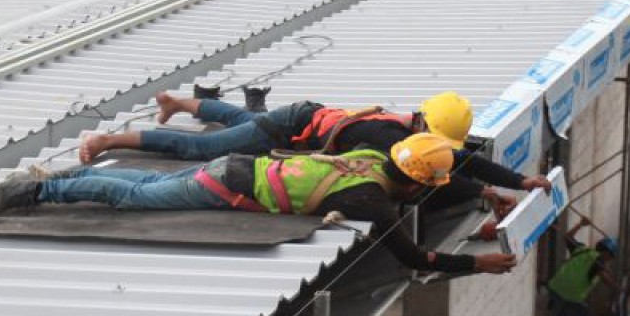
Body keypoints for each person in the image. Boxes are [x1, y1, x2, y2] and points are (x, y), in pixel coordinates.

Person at [0, 132, 519, 275]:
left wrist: (483, 190)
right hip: (229, 185)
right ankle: (39, 189)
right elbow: (416, 259)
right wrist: (479, 262)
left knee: (141, 183)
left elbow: (431, 183)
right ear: (421, 183)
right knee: (133, 198)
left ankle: (58, 182)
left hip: (243, 165)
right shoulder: (374, 204)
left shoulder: (373, 159)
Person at [79, 90, 553, 216]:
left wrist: (517, 179)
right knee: (196, 147)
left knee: (239, 126)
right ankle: (106, 141)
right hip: (292, 126)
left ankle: (177, 101)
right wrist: (488, 190)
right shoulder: (392, 144)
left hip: (303, 120)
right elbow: (446, 173)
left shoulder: (412, 132)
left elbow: (463, 160)